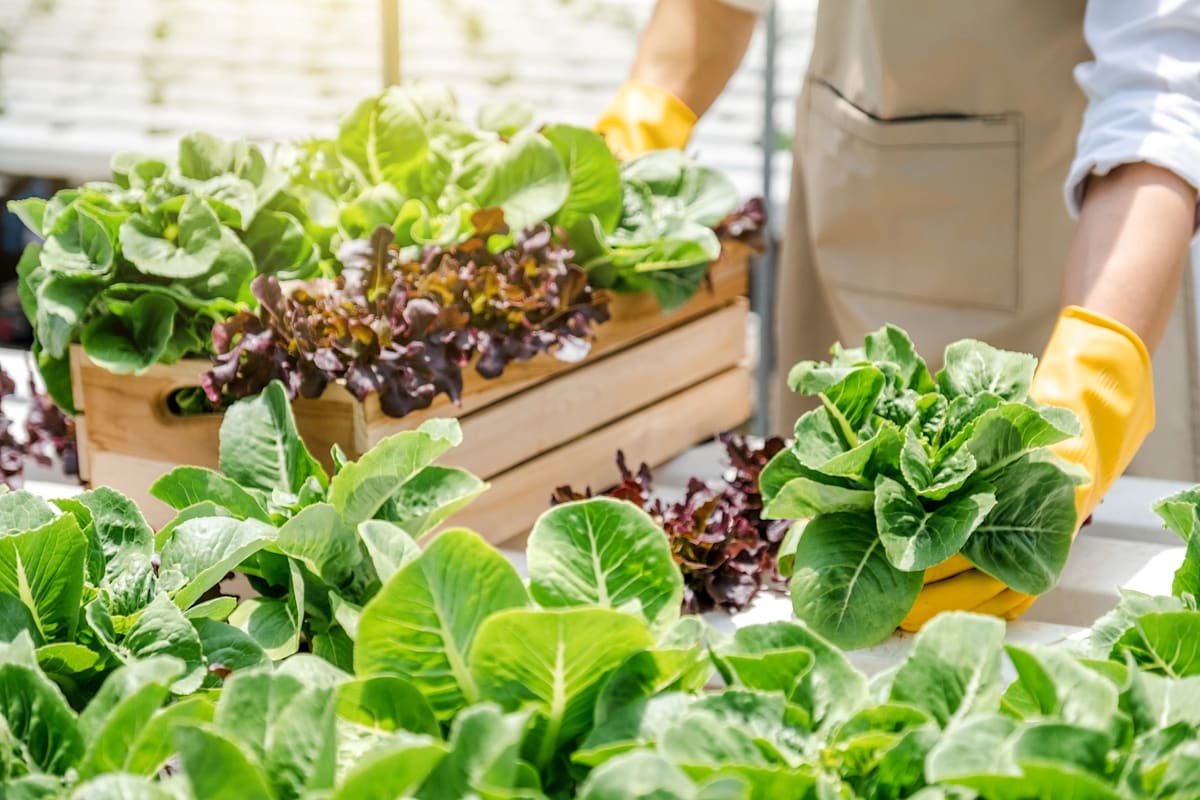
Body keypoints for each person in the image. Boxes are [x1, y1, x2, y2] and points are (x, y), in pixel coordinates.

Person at [597, 0, 1200, 628]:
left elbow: (1162, 93)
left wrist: (1092, 392)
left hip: (1078, 261)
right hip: (852, 193)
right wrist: (643, 127)